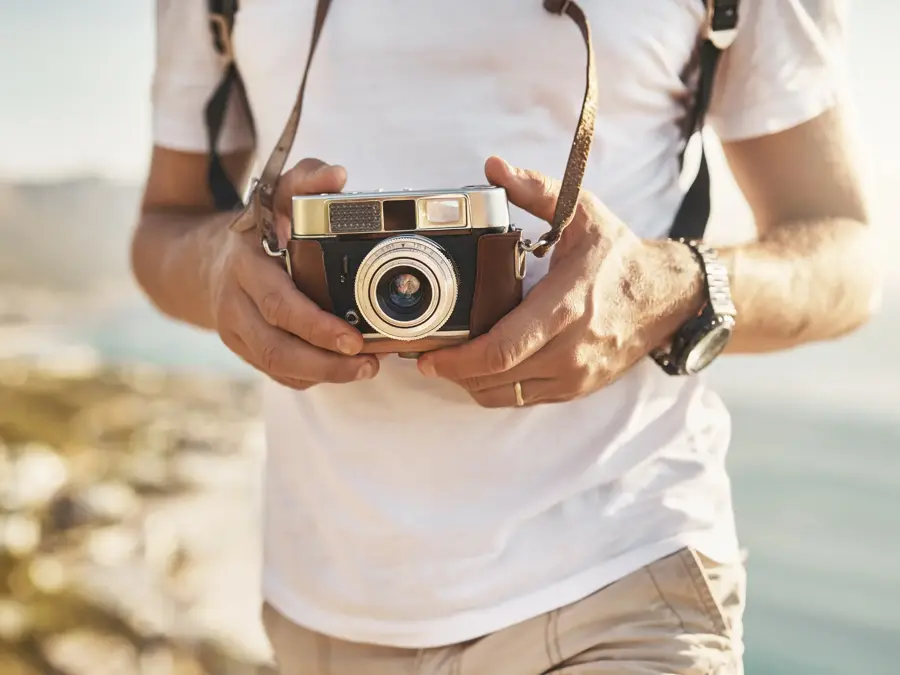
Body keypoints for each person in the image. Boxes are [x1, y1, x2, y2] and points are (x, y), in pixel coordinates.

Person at [131, 0, 881, 673]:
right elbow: (162, 229)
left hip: (620, 571)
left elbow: (846, 259)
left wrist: (665, 288)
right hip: (329, 611)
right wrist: (219, 272)